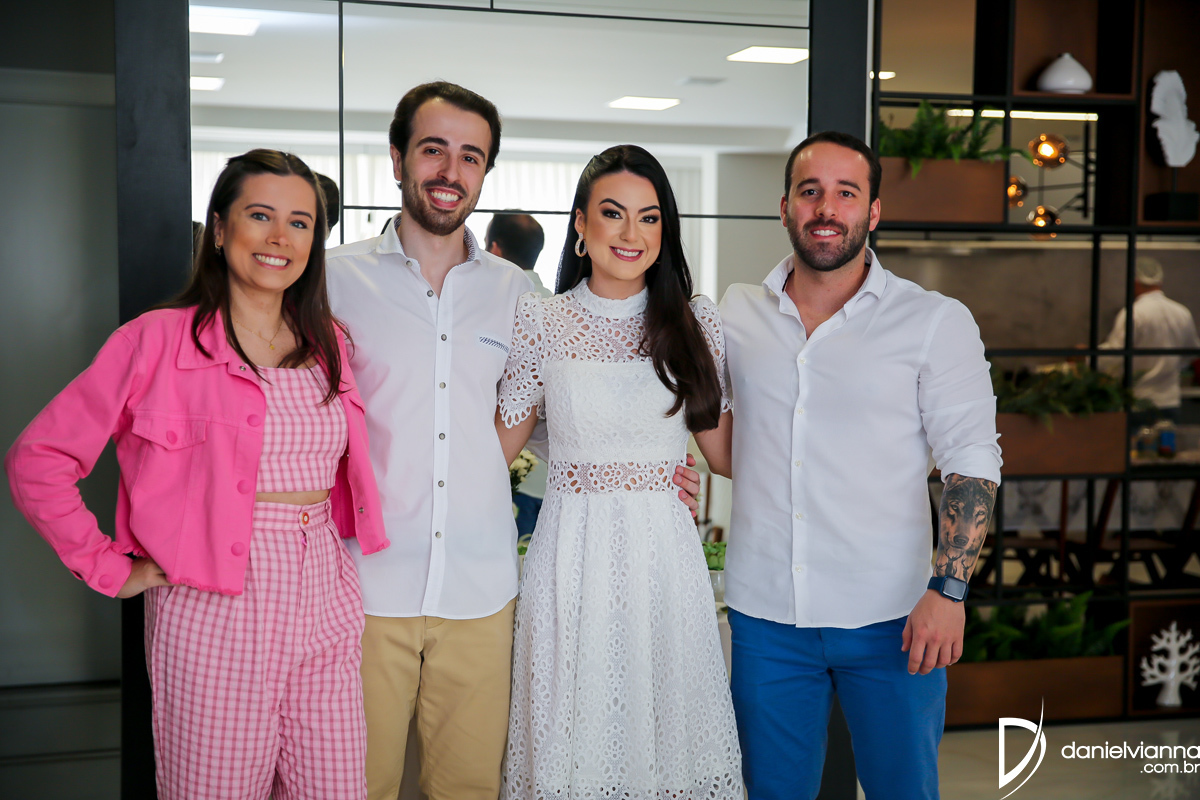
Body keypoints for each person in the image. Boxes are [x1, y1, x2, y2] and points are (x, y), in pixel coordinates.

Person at [326, 82, 703, 800]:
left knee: (471, 787)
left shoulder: (520, 297)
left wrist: (653, 469)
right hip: (367, 585)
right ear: (397, 159)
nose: (451, 170)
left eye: (471, 156)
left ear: (486, 172)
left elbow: (563, 415)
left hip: (481, 590)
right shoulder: (335, 282)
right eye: (433, 150)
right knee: (355, 786)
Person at [6, 149, 386, 800]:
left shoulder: (332, 343)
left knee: (336, 787)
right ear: (219, 229)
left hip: (325, 596)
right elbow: (37, 459)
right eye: (259, 215)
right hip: (213, 608)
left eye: (299, 223)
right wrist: (110, 567)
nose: (279, 237)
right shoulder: (155, 341)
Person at [711, 131, 1002, 799]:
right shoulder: (735, 314)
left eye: (846, 193)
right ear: (785, 206)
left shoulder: (933, 321)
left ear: (873, 211)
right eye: (810, 191)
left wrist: (949, 591)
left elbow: (971, 461)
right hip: (766, 617)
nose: (826, 208)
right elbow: (724, 439)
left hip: (895, 618)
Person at [494, 144, 743, 799]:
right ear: (581, 223)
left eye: (649, 217)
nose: (632, 233)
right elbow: (497, 451)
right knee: (571, 736)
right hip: (569, 557)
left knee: (663, 738)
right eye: (613, 213)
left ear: (665, 230)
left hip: (664, 559)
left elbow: (726, 455)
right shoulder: (541, 319)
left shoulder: (694, 322)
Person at [485, 212, 550, 537]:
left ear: (494, 249)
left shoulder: (488, 306)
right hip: (556, 479)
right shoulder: (559, 307)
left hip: (503, 471)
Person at [1099, 255, 1200, 426]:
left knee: (1135, 444)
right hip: (1170, 401)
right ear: (1160, 282)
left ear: (1135, 282)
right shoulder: (1182, 312)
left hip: (1138, 402)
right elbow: (1191, 352)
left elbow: (1115, 355)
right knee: (1165, 443)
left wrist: (1086, 358)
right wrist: (1172, 365)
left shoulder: (1134, 313)